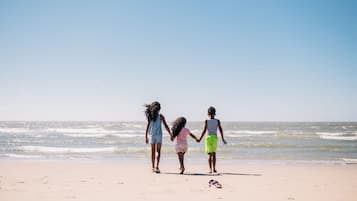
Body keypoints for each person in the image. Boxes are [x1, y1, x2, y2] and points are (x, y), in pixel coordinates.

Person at [145, 101, 172, 173]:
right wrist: (170, 134)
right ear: (159, 109)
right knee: (158, 152)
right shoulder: (160, 116)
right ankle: (156, 167)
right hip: (158, 135)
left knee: (153, 152)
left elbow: (147, 127)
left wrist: (146, 137)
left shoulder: (152, 116)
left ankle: (153, 167)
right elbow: (166, 126)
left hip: (152, 135)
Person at [198, 106, 227, 174]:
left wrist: (200, 138)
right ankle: (214, 169)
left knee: (209, 155)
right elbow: (220, 130)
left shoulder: (207, 121)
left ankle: (210, 169)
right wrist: (223, 138)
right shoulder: (217, 121)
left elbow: (204, 131)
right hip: (214, 138)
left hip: (208, 138)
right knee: (214, 154)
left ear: (208, 114)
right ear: (215, 113)